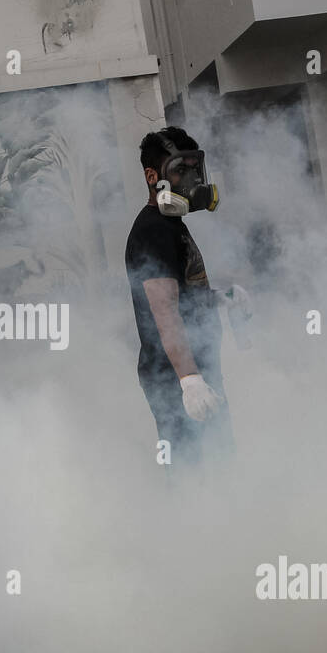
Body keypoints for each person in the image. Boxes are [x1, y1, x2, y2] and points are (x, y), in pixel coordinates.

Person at [124, 126, 235, 470]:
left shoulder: (170, 226)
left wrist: (221, 298)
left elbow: (183, 295)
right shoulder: (153, 231)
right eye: (180, 170)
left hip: (192, 368)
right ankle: (187, 522)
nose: (190, 180)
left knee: (217, 459)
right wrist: (190, 382)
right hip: (174, 376)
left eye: (193, 169)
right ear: (152, 176)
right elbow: (165, 309)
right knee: (192, 467)